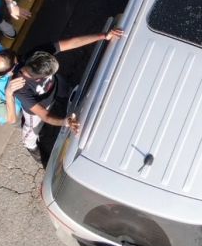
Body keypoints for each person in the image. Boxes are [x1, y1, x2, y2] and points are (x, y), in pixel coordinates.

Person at [9, 28, 123, 161]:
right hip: (37, 111)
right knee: (29, 137)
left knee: (66, 90)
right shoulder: (20, 88)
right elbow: (44, 115)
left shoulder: (39, 55)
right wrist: (65, 121)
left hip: (55, 87)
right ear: (39, 78)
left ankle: (66, 98)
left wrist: (103, 36)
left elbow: (70, 43)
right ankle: (35, 152)